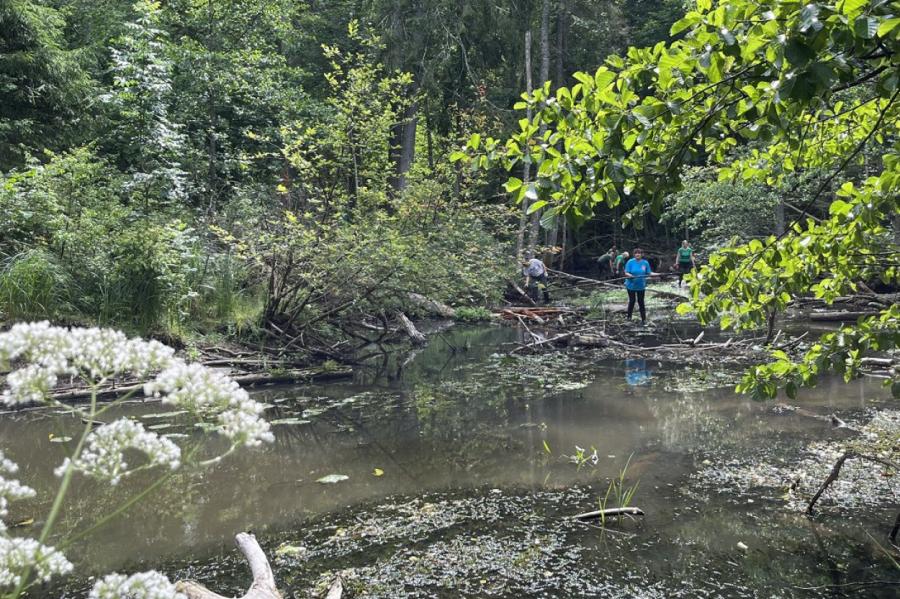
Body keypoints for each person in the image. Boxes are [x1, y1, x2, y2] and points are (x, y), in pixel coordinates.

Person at [624, 248, 655, 324]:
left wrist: (658, 274)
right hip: (631, 285)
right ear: (634, 255)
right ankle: (629, 317)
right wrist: (630, 275)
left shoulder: (645, 263)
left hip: (641, 286)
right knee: (632, 301)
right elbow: (626, 272)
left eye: (639, 253)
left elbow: (649, 273)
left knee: (641, 302)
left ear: (642, 254)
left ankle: (643, 319)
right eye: (636, 253)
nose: (637, 254)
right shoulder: (630, 262)